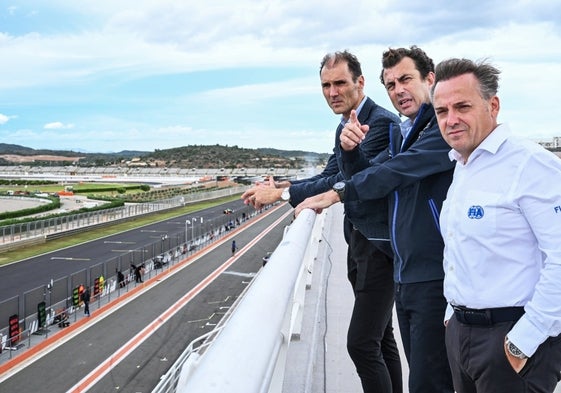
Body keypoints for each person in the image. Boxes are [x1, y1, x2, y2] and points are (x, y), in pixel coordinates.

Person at [295, 46, 455, 393]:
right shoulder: (403, 131)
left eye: (406, 79)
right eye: (391, 84)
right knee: (408, 362)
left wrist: (339, 192)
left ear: (430, 79)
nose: (398, 90)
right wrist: (350, 154)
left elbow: (393, 172)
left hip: (430, 270)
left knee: (426, 377)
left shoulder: (437, 130)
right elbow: (372, 176)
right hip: (405, 267)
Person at [243, 50, 403, 393]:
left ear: (360, 82)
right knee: (380, 337)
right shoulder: (347, 123)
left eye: (340, 83)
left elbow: (350, 185)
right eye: (326, 85)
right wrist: (282, 187)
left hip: (380, 248)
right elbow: (331, 175)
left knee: (361, 344)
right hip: (361, 242)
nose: (332, 92)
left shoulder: (380, 124)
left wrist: (283, 197)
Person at [432, 57, 561, 393]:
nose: (451, 119)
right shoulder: (462, 166)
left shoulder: (531, 165)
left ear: (493, 105)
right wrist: (453, 314)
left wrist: (524, 339)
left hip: (512, 337)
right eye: (442, 111)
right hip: (461, 334)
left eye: (462, 106)